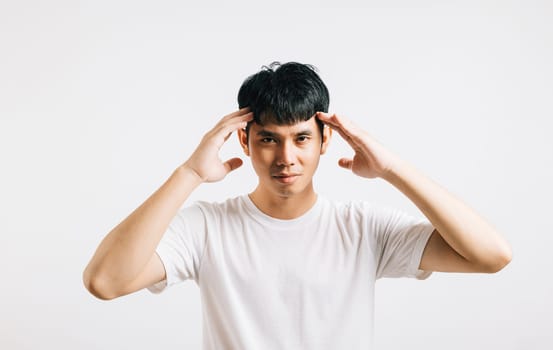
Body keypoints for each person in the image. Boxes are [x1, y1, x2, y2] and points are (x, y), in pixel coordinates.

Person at [83, 61, 512, 349]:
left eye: (301, 138)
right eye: (269, 138)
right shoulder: (205, 228)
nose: (286, 157)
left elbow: (492, 255)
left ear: (326, 140)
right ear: (245, 141)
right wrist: (189, 175)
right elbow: (104, 281)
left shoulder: (362, 228)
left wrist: (392, 168)